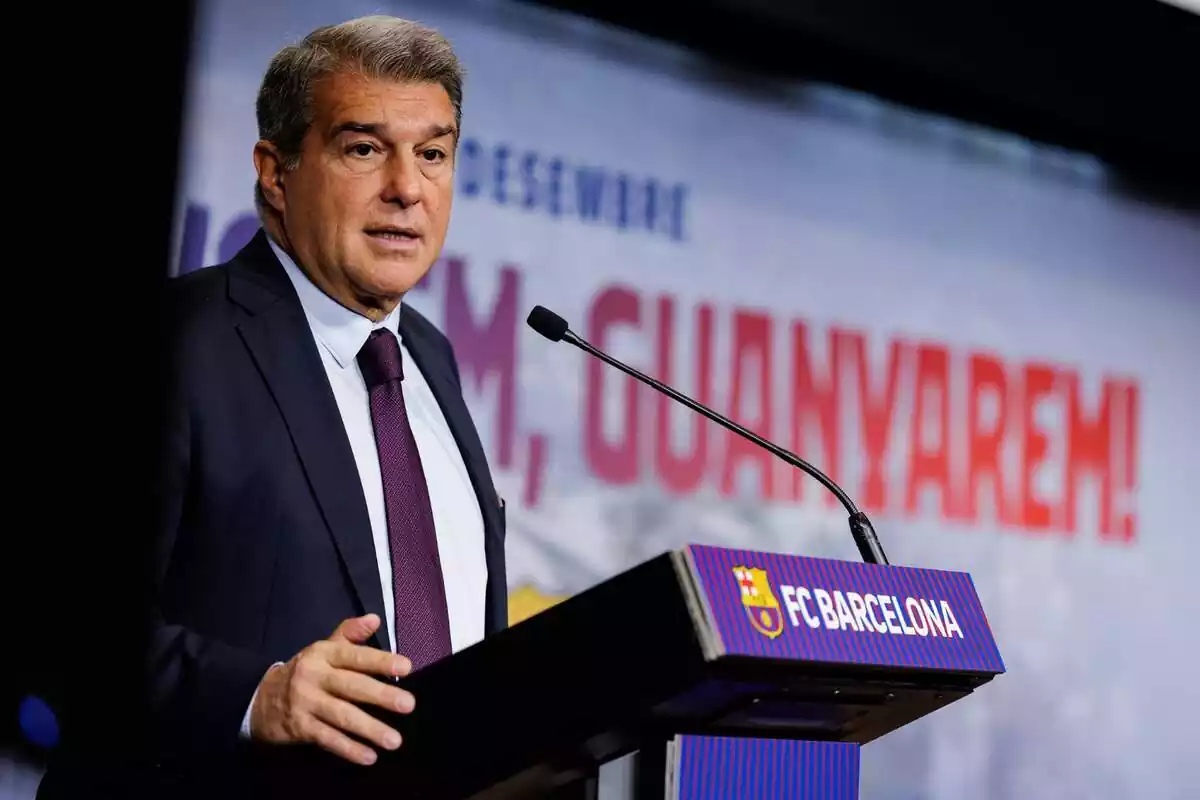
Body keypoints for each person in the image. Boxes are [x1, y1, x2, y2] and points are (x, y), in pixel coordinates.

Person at [38, 14, 507, 799]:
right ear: (276, 172)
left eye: (432, 153)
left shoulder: (432, 361)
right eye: (363, 148)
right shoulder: (179, 340)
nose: (407, 187)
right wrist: (256, 697)